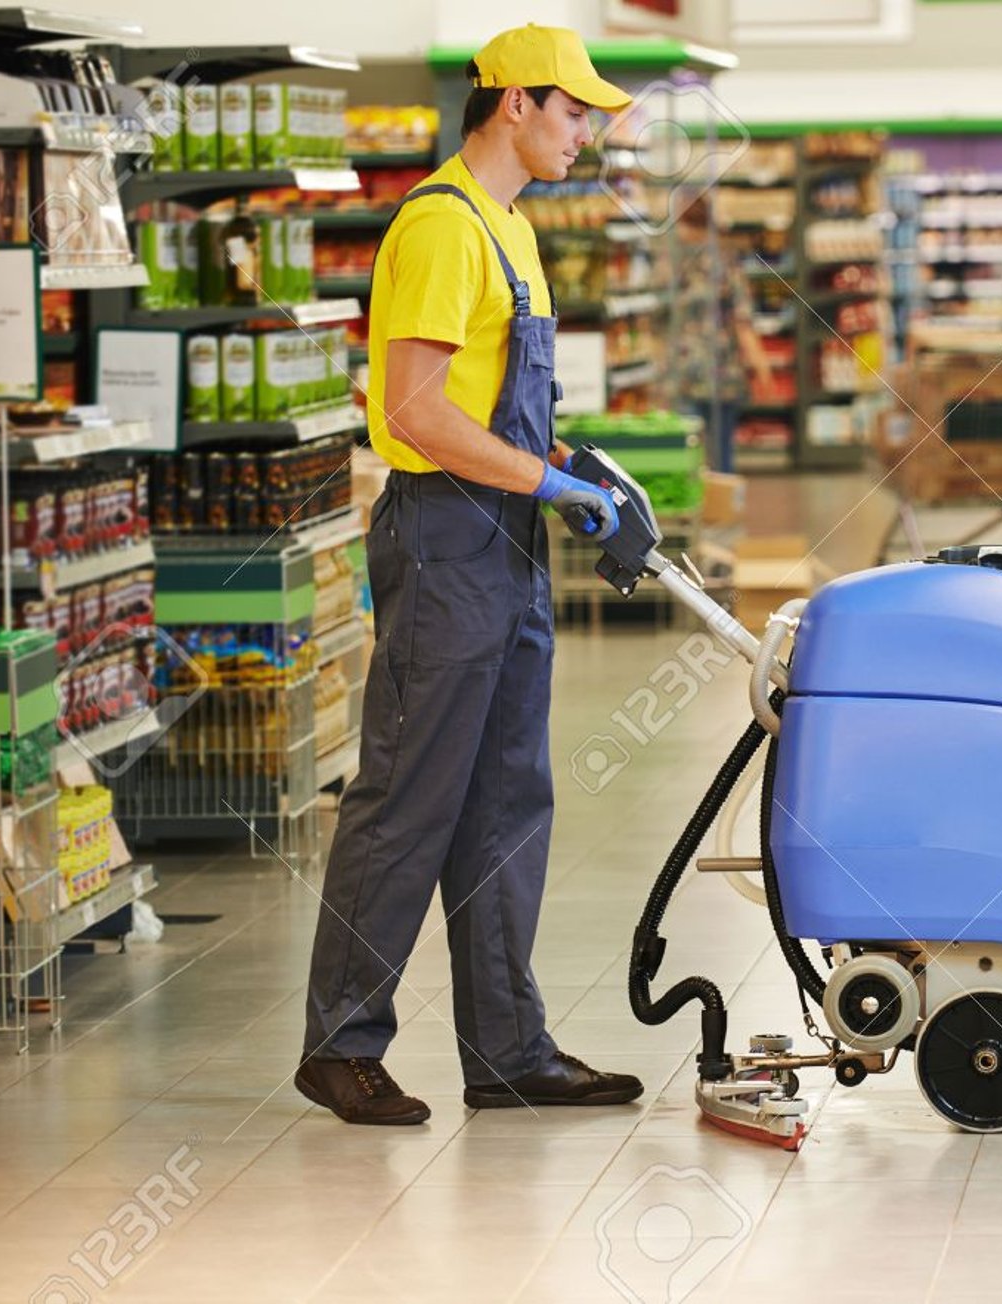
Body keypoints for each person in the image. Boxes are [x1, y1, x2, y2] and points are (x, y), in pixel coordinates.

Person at [300, 24, 645, 1126]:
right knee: (410, 796)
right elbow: (414, 412)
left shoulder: (513, 230)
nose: (585, 133)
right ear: (515, 102)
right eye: (574, 111)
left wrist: (570, 468)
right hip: (445, 539)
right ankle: (341, 1044)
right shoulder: (444, 226)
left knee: (505, 799)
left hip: (507, 539)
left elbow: (492, 407)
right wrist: (544, 483)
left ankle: (506, 1050)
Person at [666, 193, 775, 474]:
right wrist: (761, 367)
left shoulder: (678, 264)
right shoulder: (723, 262)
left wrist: (761, 366)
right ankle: (720, 495)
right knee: (719, 450)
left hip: (691, 371)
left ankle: (703, 494)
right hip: (719, 371)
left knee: (690, 448)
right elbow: (743, 321)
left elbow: (741, 321)